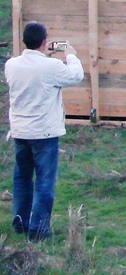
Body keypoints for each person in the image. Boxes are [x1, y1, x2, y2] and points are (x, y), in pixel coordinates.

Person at [5, 21, 84, 240]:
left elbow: (36, 73)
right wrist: (70, 55)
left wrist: (44, 55)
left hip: (20, 131)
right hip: (44, 133)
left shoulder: (11, 64)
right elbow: (76, 75)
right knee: (44, 182)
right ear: (44, 42)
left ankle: (21, 222)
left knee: (22, 179)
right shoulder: (51, 67)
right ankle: (39, 229)